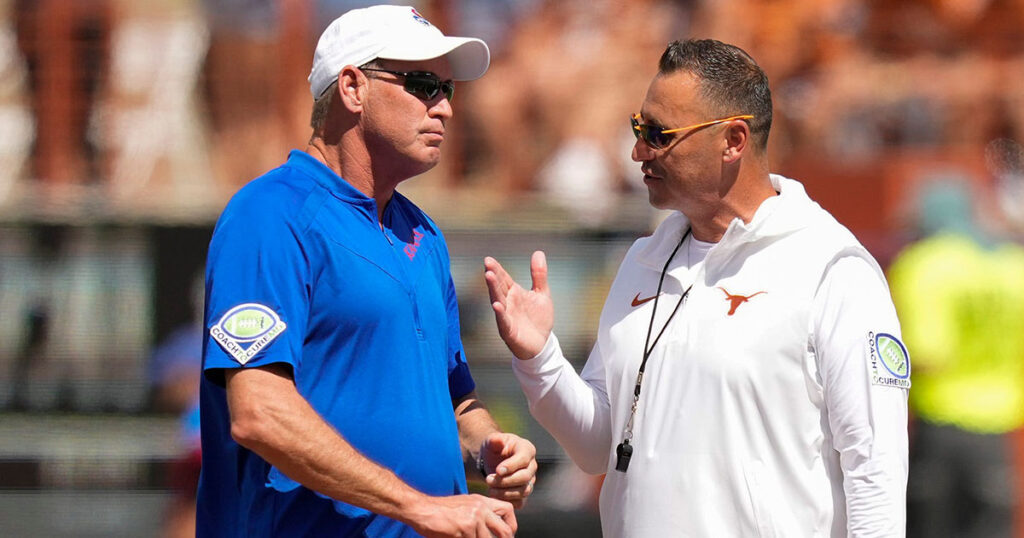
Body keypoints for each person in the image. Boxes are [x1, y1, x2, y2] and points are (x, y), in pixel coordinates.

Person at [484, 39, 909, 537]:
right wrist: (539, 360)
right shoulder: (643, 261)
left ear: (733, 140)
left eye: (660, 134)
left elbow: (874, 467)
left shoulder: (831, 268)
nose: (639, 150)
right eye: (639, 128)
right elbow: (598, 445)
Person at [196, 6, 537, 538]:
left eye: (449, 90)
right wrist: (420, 507)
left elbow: (453, 396)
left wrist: (489, 442)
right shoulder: (270, 215)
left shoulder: (423, 234)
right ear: (353, 88)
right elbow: (258, 412)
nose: (445, 108)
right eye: (424, 84)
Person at [887, 178, 1024, 538]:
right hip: (998, 428)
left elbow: (928, 355)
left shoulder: (926, 263)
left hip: (941, 423)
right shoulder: (1014, 265)